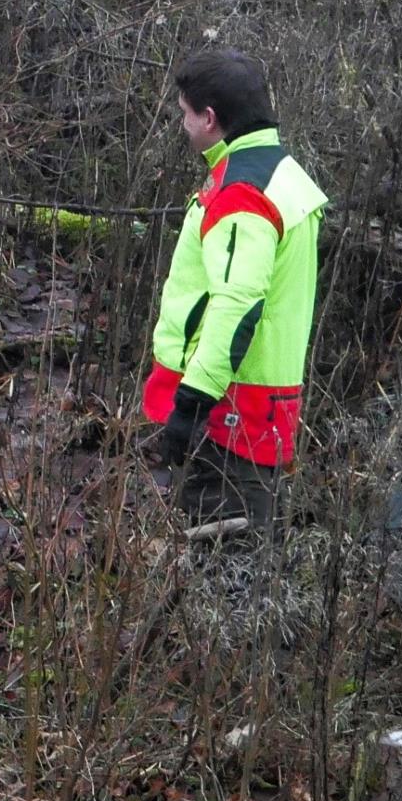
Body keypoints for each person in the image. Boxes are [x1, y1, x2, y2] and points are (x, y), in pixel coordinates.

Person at [142, 47, 328, 537]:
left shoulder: (243, 194)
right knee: (243, 569)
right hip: (262, 411)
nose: (181, 125)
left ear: (209, 118)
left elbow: (237, 306)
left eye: (184, 114)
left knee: (226, 577)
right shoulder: (282, 174)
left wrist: (190, 405)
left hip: (230, 415)